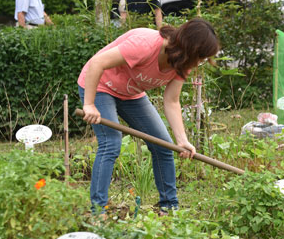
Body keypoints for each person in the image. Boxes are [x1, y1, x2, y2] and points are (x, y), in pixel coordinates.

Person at [78, 18, 220, 213]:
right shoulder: (145, 45)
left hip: (130, 93)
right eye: (201, 57)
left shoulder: (182, 63)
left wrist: (182, 140)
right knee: (111, 142)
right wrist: (89, 104)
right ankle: (98, 210)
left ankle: (169, 206)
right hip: (101, 86)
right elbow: (97, 62)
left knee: (163, 144)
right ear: (191, 48)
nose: (201, 62)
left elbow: (171, 100)